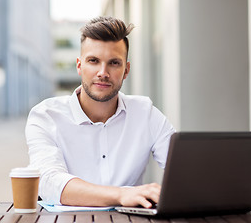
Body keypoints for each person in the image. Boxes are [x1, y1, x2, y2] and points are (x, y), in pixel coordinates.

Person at [25, 16, 176, 208]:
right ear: (79, 65)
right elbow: (49, 183)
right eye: (94, 61)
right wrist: (121, 194)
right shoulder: (46, 116)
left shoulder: (145, 113)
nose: (103, 72)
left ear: (126, 70)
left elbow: (185, 170)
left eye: (114, 63)